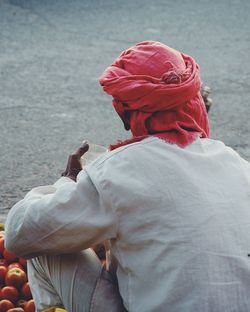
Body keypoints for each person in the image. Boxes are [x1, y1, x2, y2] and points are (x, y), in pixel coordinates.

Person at [5, 41, 250, 312]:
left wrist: (66, 182)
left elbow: (19, 234)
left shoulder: (119, 171)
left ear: (125, 114)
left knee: (46, 250)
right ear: (195, 103)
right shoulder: (238, 166)